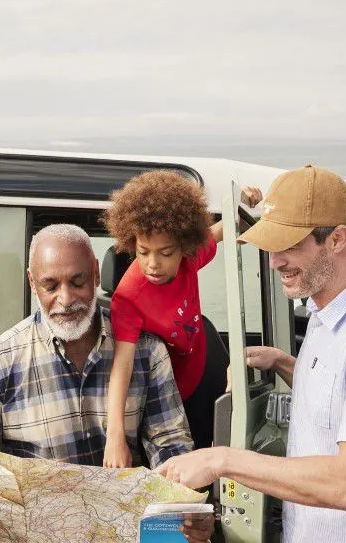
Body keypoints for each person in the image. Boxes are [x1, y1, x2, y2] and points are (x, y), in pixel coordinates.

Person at [156, 165, 346, 543]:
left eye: (289, 245)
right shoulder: (327, 315)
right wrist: (286, 363)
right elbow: (337, 399)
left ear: (337, 239)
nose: (274, 262)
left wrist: (219, 460)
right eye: (271, 247)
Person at [0, 223, 214, 543]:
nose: (65, 299)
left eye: (78, 281)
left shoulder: (146, 352)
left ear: (96, 274)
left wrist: (184, 506)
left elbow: (170, 444)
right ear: (32, 282)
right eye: (50, 285)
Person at [102, 171, 262, 467]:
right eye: (143, 252)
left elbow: (227, 225)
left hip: (203, 371)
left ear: (184, 248)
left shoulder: (192, 257)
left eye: (166, 253)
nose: (153, 264)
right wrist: (115, 437)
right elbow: (121, 367)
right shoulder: (128, 299)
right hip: (169, 397)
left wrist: (244, 203)